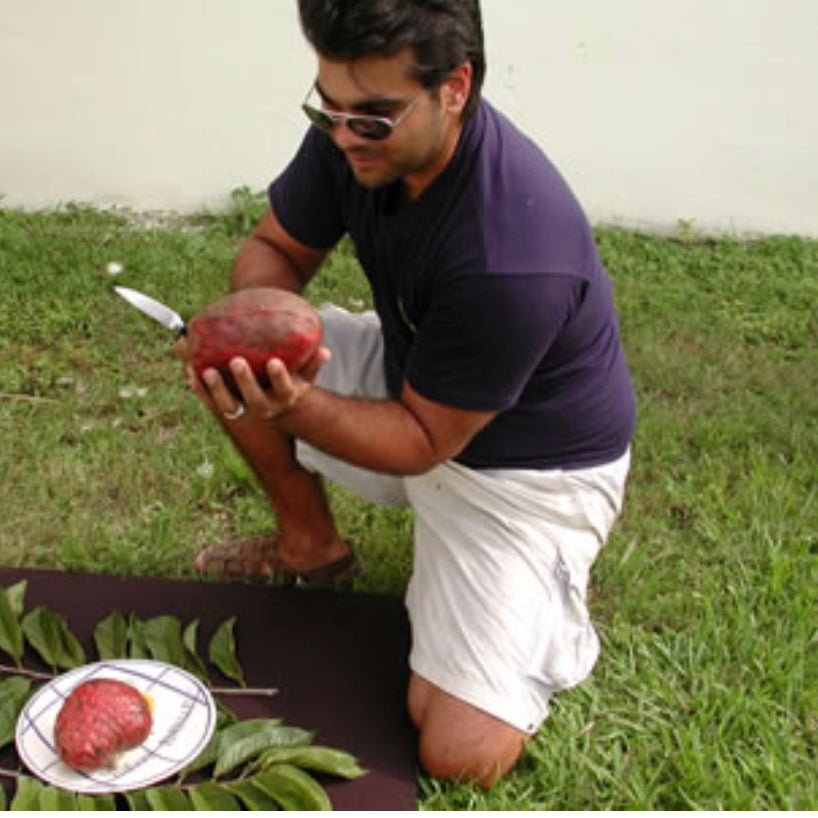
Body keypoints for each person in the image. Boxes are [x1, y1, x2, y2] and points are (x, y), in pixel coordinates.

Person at [179, 0, 635, 789]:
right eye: (330, 107)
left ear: (455, 87)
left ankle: (541, 594)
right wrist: (263, 326)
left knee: (461, 753)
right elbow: (273, 246)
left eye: (374, 118)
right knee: (217, 351)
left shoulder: (514, 253)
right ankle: (309, 544)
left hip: (524, 479)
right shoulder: (355, 129)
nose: (347, 132)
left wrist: (290, 401)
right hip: (417, 380)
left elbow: (425, 443)